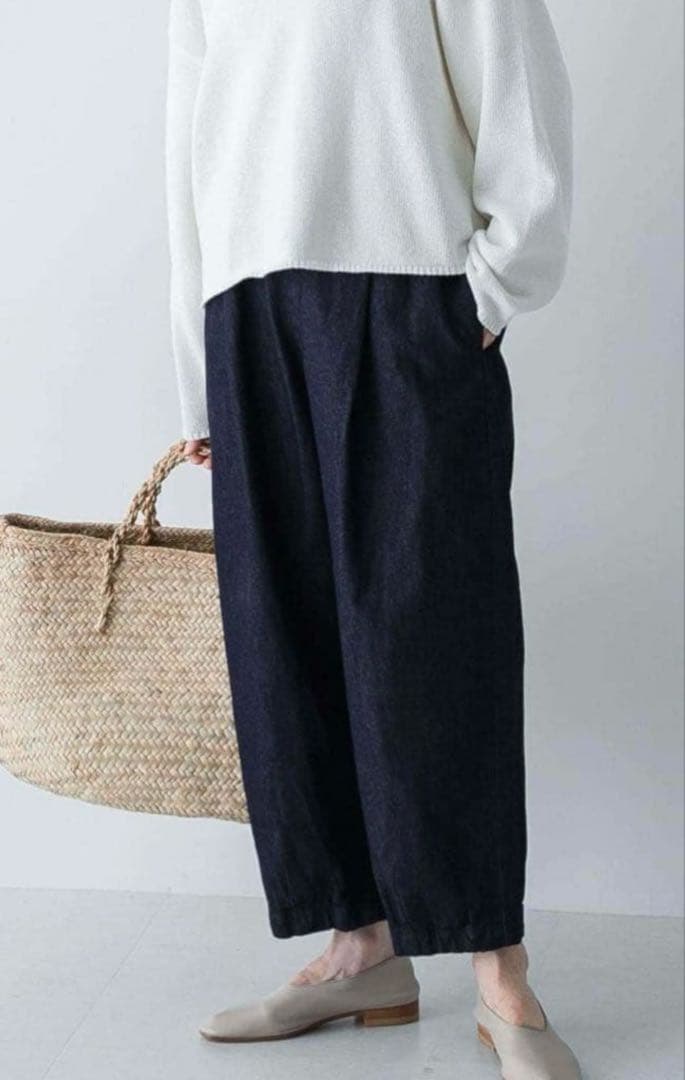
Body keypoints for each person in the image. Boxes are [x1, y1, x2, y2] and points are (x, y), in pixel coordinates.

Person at [168, 0, 580, 1074]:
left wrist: (490, 290)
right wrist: (198, 373)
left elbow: (518, 92)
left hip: (410, 296)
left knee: (434, 641)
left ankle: (498, 970)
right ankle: (361, 948)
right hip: (248, 314)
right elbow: (190, 147)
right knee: (284, 647)